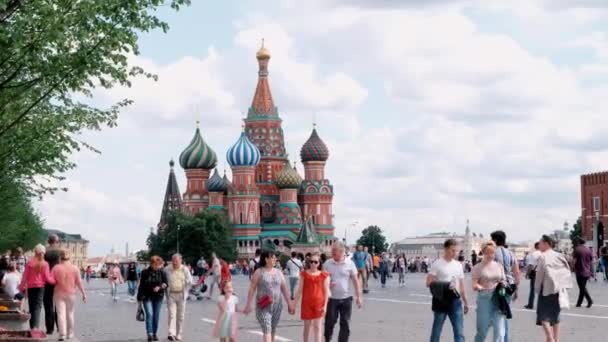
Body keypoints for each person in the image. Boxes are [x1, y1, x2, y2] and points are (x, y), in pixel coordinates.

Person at [243, 250, 295, 342]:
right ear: (266, 259)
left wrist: (289, 303)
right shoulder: (259, 272)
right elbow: (252, 288)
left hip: (277, 306)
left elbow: (284, 289)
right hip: (263, 306)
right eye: (273, 257)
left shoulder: (279, 272)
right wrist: (248, 304)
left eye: (275, 257)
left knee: (272, 329)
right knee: (267, 329)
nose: (275, 259)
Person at [426, 239, 469, 342]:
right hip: (441, 300)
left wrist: (466, 302)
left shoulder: (458, 265)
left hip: (455, 301)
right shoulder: (437, 264)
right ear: (445, 249)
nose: (455, 253)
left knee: (459, 332)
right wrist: (445, 285)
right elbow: (428, 282)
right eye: (452, 250)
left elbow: (462, 285)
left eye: (457, 251)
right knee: (436, 331)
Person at [535, 235, 572, 342]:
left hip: (546, 289)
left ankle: (550, 338)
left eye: (540, 243)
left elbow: (539, 275)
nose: (539, 245)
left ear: (546, 243)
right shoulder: (559, 255)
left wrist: (537, 289)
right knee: (555, 315)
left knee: (543, 316)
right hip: (559, 288)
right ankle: (556, 339)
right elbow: (567, 269)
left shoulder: (543, 256)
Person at [324, 241, 363, 342]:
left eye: (334, 250)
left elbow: (355, 280)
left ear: (341, 251)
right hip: (331, 299)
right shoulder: (327, 264)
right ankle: (328, 339)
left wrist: (359, 297)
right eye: (332, 250)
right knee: (329, 323)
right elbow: (321, 281)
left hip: (346, 299)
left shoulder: (350, 264)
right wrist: (327, 285)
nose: (332, 252)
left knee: (345, 324)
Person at [472, 241, 506, 342]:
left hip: (499, 298)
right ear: (483, 252)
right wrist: (479, 287)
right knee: (482, 330)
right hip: (484, 299)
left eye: (492, 253)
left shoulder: (499, 266)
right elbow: (474, 284)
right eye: (487, 252)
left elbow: (503, 279)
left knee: (500, 331)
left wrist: (504, 284)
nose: (490, 255)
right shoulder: (477, 267)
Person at [490, 230, 520, 342]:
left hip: (498, 286)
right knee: (505, 312)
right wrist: (516, 289)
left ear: (496, 240)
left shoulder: (493, 253)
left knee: (497, 316)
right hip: (510, 286)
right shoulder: (511, 253)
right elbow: (516, 272)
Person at [52, 250, 87, 341]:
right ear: (69, 257)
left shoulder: (56, 268)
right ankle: (70, 333)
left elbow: (51, 280)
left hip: (58, 293)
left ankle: (62, 334)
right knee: (70, 313)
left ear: (60, 257)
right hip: (71, 294)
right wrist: (84, 294)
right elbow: (79, 282)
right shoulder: (75, 268)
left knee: (60, 314)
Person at [295, 252, 330, 342]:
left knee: (318, 327)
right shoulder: (304, 274)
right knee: (307, 327)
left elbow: (326, 292)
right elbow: (299, 290)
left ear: (319, 263)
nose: (313, 264)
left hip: (319, 303)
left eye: (315, 262)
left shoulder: (324, 275)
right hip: (306, 304)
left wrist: (325, 306)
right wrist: (293, 304)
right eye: (311, 262)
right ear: (308, 262)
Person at [19, 244, 55, 330]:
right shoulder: (45, 264)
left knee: (31, 307)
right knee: (37, 307)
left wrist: (21, 287)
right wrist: (55, 281)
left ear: (35, 252)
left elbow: (25, 276)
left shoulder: (29, 263)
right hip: (40, 287)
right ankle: (35, 328)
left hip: (31, 287)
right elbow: (48, 278)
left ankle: (32, 327)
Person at [137, 256, 168, 342]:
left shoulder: (162, 272)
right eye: (157, 265)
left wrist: (160, 287)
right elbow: (142, 285)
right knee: (150, 314)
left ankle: (154, 333)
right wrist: (139, 298)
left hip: (158, 296)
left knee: (156, 316)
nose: (158, 266)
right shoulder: (145, 272)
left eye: (159, 265)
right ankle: (150, 333)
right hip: (147, 296)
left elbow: (166, 284)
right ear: (152, 264)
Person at [164, 254, 192, 341]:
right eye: (173, 260)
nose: (175, 262)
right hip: (171, 294)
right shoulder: (167, 269)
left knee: (181, 316)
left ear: (180, 260)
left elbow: (190, 280)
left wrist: (187, 284)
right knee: (172, 314)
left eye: (176, 261)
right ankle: (171, 333)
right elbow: (163, 280)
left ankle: (179, 333)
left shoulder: (185, 269)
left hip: (181, 295)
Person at [44, 234, 61, 335]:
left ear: (48, 241)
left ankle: (49, 329)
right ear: (56, 241)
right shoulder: (60, 251)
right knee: (59, 304)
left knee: (48, 304)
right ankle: (60, 326)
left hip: (46, 280)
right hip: (58, 280)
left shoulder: (44, 251)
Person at [572, 237, 593, 308]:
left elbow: (574, 260)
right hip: (587, 270)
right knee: (582, 287)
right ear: (585, 242)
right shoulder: (589, 250)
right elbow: (591, 261)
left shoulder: (577, 249)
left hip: (580, 271)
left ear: (579, 242)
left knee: (582, 288)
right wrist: (591, 271)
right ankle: (579, 303)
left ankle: (589, 300)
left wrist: (572, 268)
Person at [525, 243, 542, 310]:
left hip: (535, 273)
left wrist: (527, 273)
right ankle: (541, 305)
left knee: (532, 289)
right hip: (542, 273)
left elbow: (530, 265)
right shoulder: (543, 253)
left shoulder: (534, 254)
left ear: (535, 247)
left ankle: (530, 304)